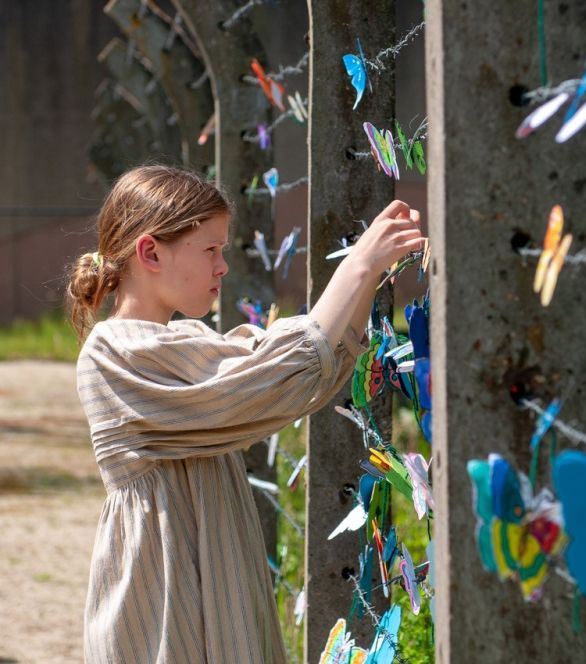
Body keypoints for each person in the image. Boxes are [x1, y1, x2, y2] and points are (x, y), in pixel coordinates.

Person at [65, 165, 424, 663]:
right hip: (165, 596)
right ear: (150, 252)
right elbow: (267, 374)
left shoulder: (184, 346)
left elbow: (303, 376)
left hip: (211, 577)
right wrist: (359, 265)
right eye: (210, 250)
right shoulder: (115, 352)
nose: (222, 267)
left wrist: (370, 274)